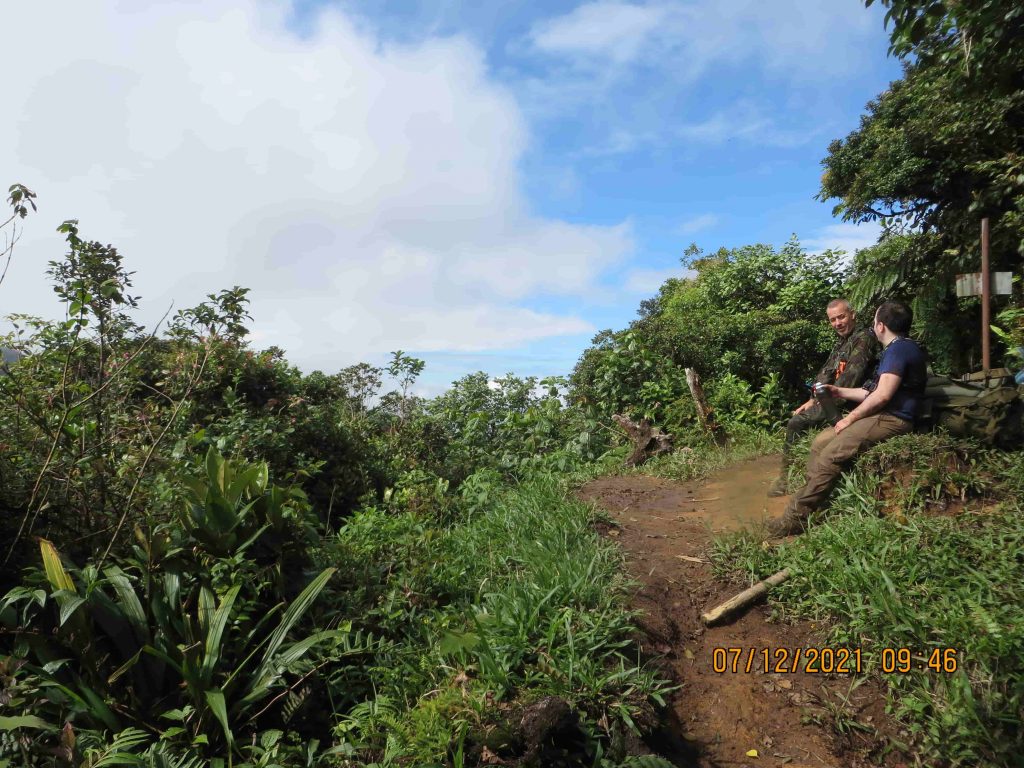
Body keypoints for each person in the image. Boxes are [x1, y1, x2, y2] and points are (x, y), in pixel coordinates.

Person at [766, 300, 927, 537]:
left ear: (880, 326)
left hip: (892, 418)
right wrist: (839, 391)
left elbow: (882, 397)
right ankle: (812, 500)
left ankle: (794, 519)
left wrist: (850, 419)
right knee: (820, 443)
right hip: (880, 414)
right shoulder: (894, 349)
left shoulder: (899, 350)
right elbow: (871, 391)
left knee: (832, 454)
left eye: (875, 321)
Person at [767, 298, 877, 496]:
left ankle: (785, 480)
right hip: (832, 398)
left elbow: (851, 379)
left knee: (796, 423)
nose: (837, 323)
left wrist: (824, 405)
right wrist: (812, 399)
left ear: (853, 314)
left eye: (841, 317)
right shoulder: (842, 342)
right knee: (800, 414)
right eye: (833, 320)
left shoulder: (864, 338)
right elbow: (825, 372)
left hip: (853, 401)